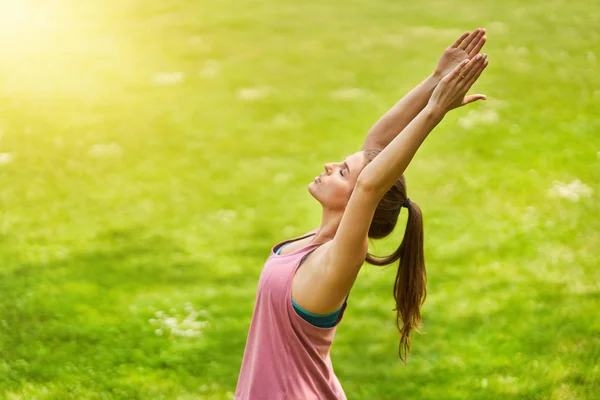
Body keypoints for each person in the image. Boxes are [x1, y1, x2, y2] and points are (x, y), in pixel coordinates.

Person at [235, 28, 489, 400]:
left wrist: (434, 113)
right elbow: (375, 146)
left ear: (359, 200)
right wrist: (435, 80)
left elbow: (369, 183)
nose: (328, 164)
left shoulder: (338, 259)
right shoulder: (312, 243)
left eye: (341, 171)